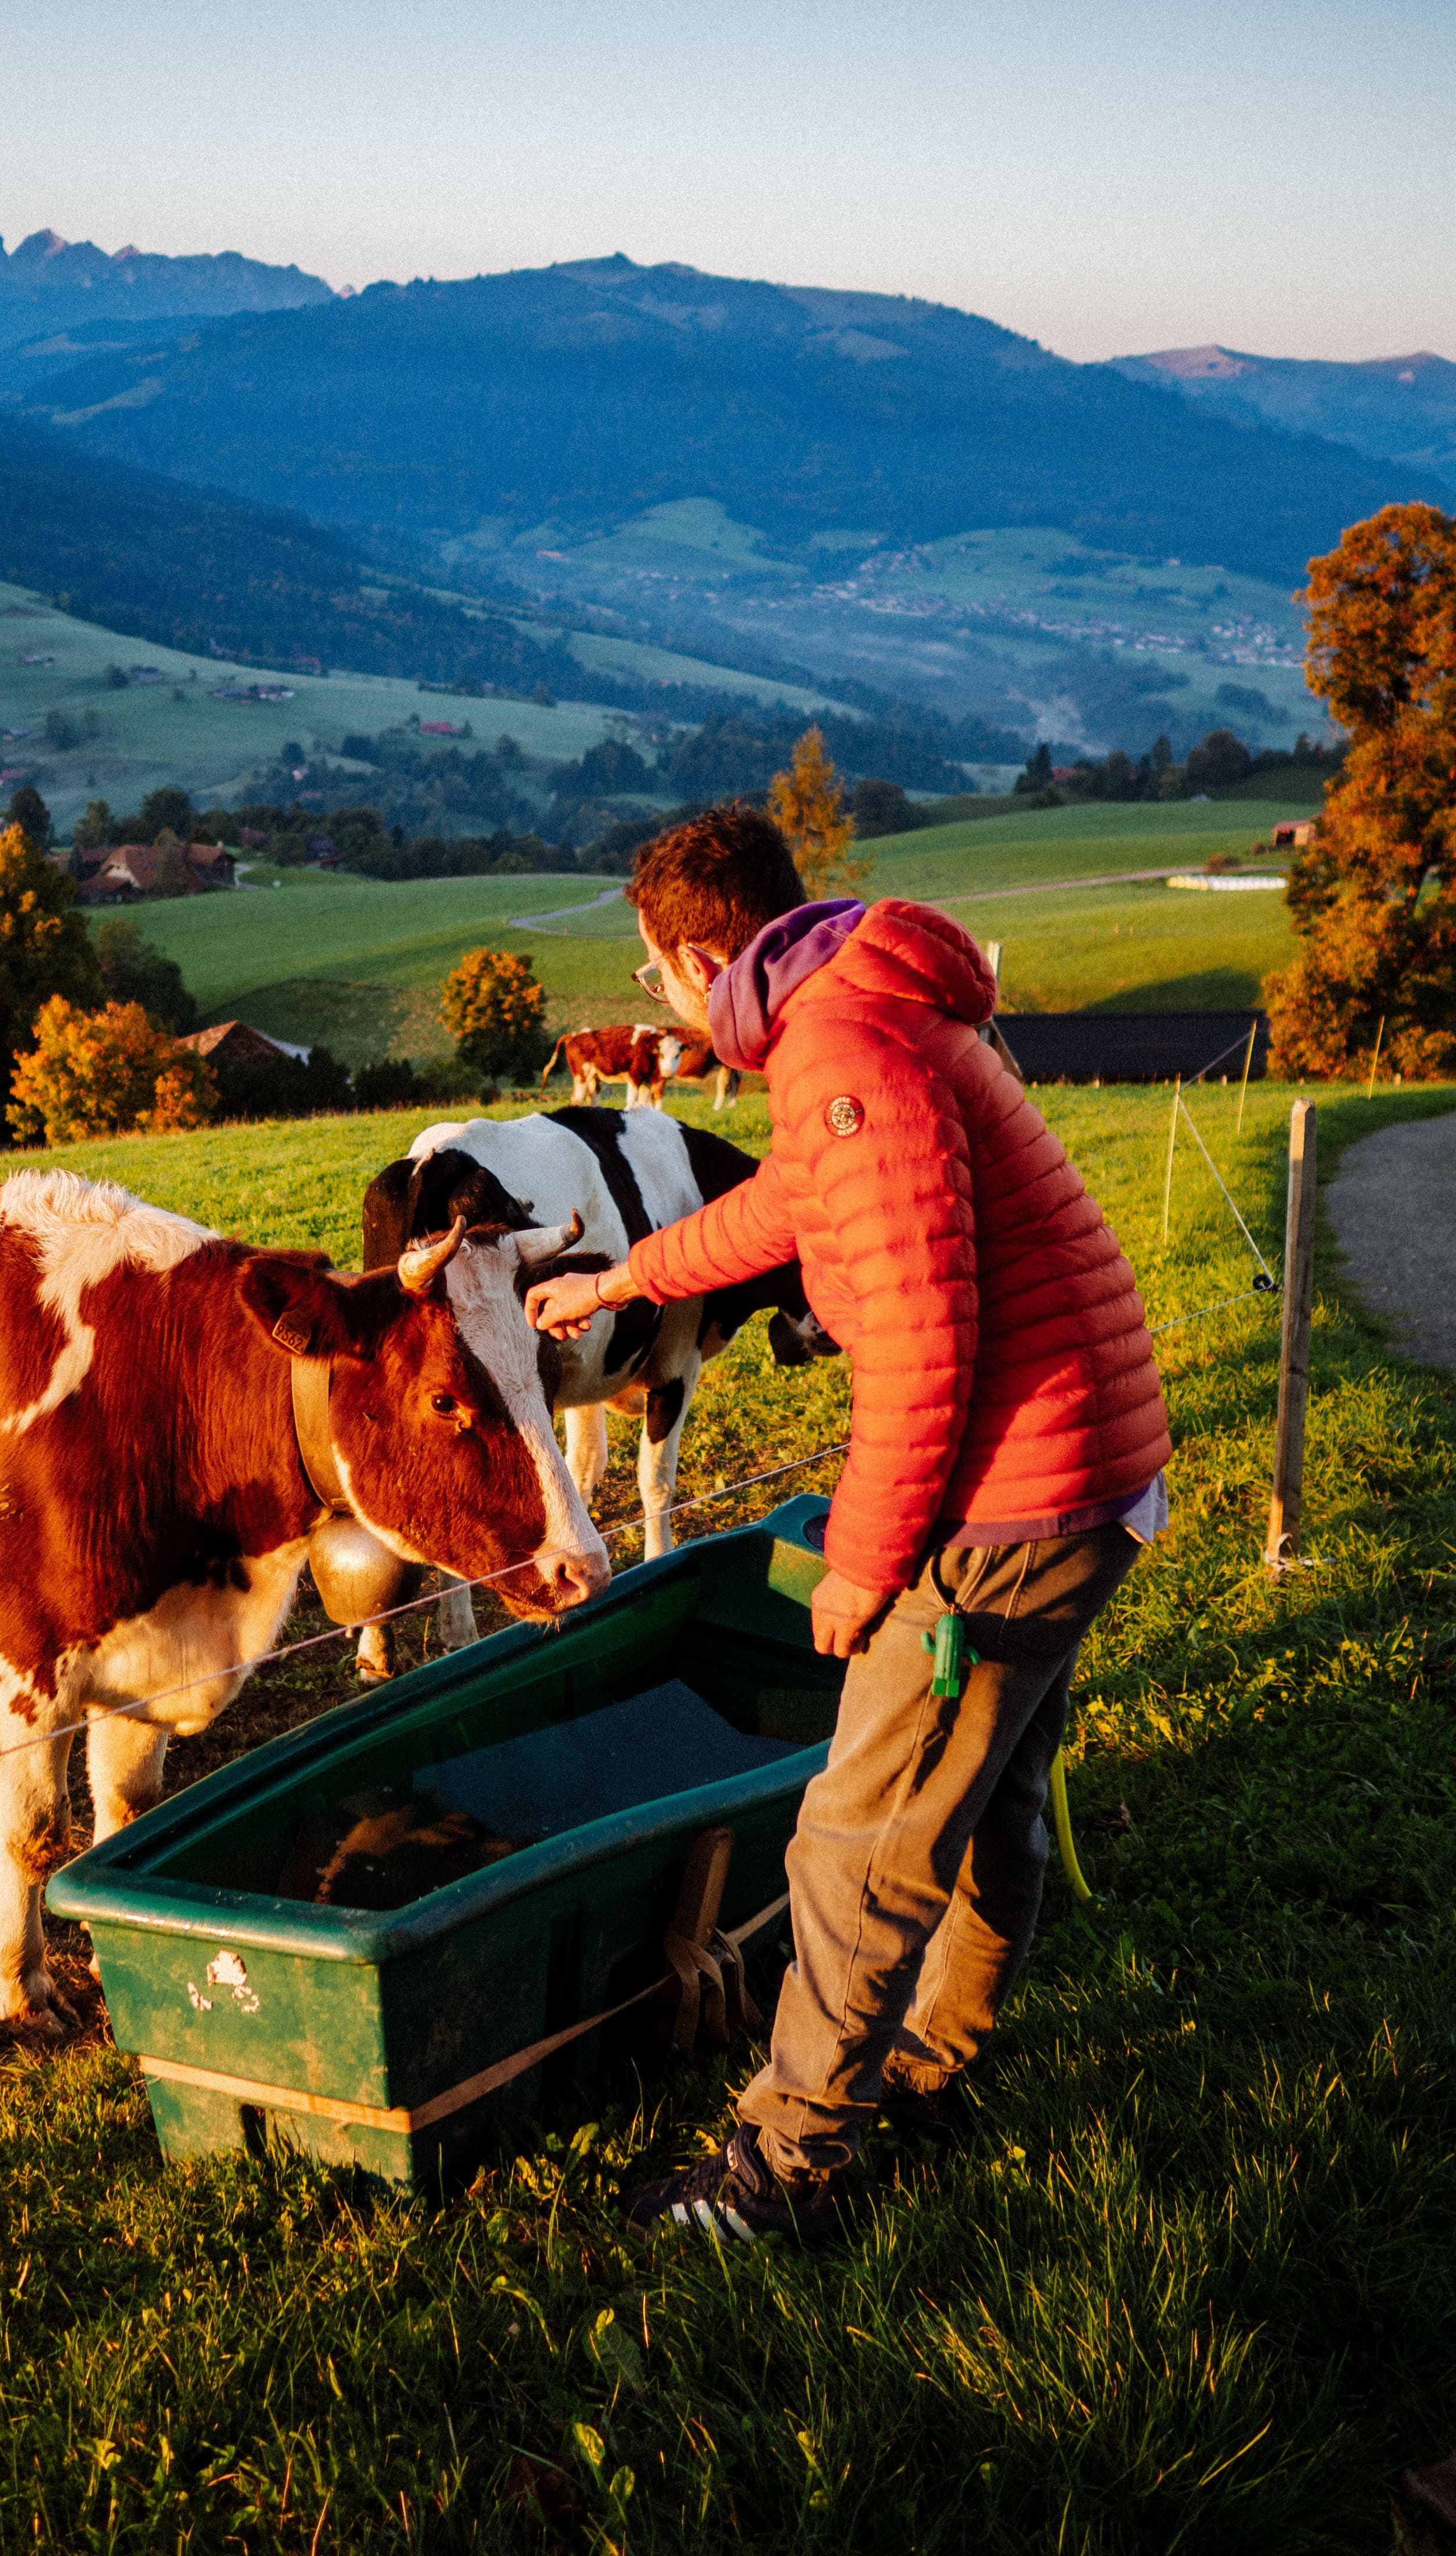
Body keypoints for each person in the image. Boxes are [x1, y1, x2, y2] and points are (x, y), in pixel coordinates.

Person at [524, 805, 1170, 2248]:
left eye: (653, 978)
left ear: (699, 954)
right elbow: (794, 1210)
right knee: (986, 1799)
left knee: (857, 1842)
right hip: (1080, 1471)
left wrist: (870, 1566)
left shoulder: (844, 1062)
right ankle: (933, 2071)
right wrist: (621, 1282)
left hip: (1017, 1498)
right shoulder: (855, 1018)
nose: (664, 1006)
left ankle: (786, 2175)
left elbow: (926, 1343)